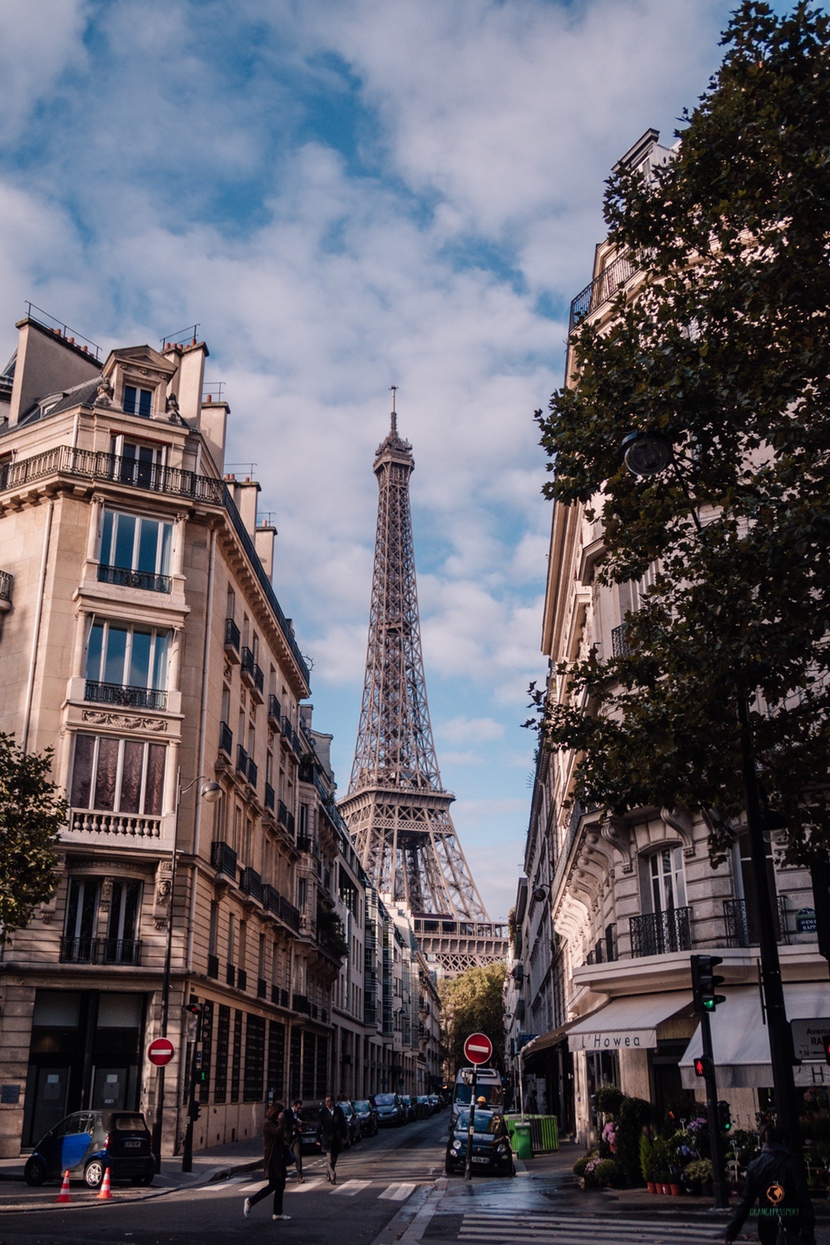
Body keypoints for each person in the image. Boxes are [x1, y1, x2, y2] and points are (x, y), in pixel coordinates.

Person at [724, 1124, 815, 1245]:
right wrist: (808, 1230)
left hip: (766, 1224)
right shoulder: (792, 1163)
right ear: (784, 1142)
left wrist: (731, 1231)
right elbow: (803, 1198)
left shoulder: (755, 1166)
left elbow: (746, 1202)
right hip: (791, 1221)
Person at [243, 1102, 294, 1222]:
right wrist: (281, 1121)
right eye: (280, 1112)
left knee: (281, 1185)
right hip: (272, 1159)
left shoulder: (274, 1122)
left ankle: (278, 1212)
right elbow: (278, 1132)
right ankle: (250, 1201)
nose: (281, 1114)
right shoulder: (267, 1123)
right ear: (275, 1112)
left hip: (279, 1158)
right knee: (273, 1185)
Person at [316, 1094, 347, 1184]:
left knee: (334, 1159)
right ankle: (333, 1176)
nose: (327, 1103)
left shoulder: (339, 1110)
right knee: (329, 1160)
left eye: (328, 1101)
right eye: (326, 1101)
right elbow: (319, 1126)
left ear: (333, 1102)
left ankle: (328, 1173)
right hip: (327, 1139)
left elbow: (343, 1124)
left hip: (336, 1138)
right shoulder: (323, 1112)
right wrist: (318, 1138)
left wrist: (344, 1136)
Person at [284, 1098, 304, 1183]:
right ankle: (283, 1174)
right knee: (284, 1157)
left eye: (300, 1108)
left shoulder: (299, 1115)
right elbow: (286, 1122)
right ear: (294, 1106)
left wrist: (300, 1128)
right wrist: (296, 1121)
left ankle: (299, 1176)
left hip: (296, 1138)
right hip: (288, 1138)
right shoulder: (287, 1112)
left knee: (298, 1157)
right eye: (298, 1108)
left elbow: (301, 1125)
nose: (299, 1110)